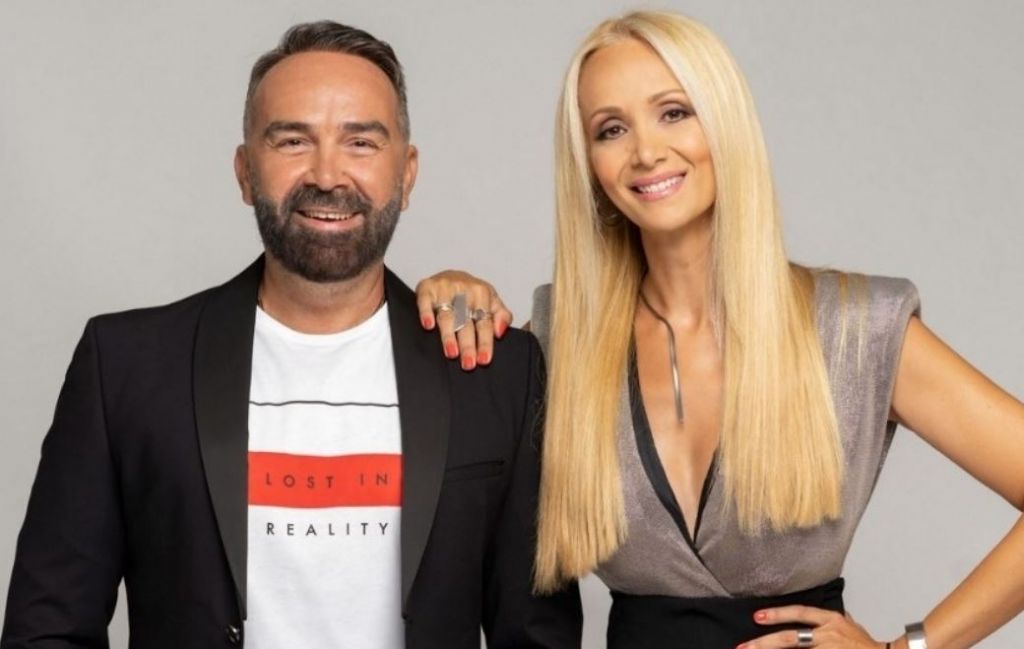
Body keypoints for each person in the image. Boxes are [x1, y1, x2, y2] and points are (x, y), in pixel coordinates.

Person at [415, 10, 1024, 649]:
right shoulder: (559, 345)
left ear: (724, 121)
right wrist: (454, 303)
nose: (646, 151)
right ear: (588, 164)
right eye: (611, 129)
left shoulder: (856, 329)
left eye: (674, 112)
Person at [1, 21, 582, 649]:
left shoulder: (495, 372)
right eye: (292, 141)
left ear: (407, 174)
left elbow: (538, 637)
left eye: (361, 142)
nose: (327, 175)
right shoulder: (125, 369)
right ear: (245, 172)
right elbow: (47, 631)